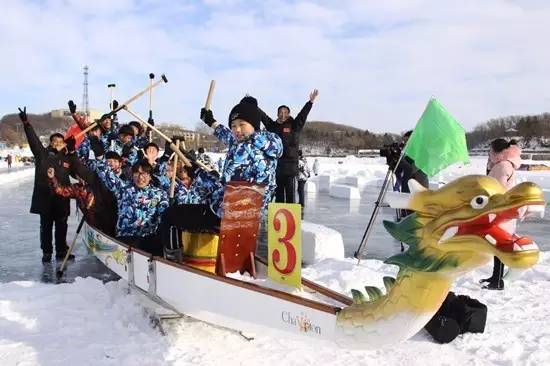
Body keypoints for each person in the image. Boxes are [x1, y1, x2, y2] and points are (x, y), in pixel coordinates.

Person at [199, 95, 283, 217]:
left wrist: (253, 134)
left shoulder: (259, 143)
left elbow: (277, 148)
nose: (237, 129)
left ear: (254, 124)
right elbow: (225, 133)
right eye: (233, 125)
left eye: (242, 124)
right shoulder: (241, 141)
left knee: (175, 214)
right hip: (233, 209)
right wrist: (210, 121)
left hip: (245, 214)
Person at [18, 107, 73, 263]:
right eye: (55, 141)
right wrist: (26, 123)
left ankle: (61, 250)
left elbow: (78, 172)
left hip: (62, 199)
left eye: (60, 142)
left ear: (63, 144)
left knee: (62, 227)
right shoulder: (42, 155)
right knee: (46, 227)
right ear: (51, 143)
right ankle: (47, 252)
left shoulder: (68, 159)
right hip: (46, 199)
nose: (57, 144)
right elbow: (33, 140)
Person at [94, 159, 169, 255]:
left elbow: (165, 214)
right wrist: (100, 158)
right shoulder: (123, 189)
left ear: (150, 176)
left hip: (147, 238)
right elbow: (105, 173)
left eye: (144, 174)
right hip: (125, 239)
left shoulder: (159, 194)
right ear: (132, 175)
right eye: (137, 173)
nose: (140, 177)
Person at [259, 89, 319, 203]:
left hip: (290, 170)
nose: (282, 114)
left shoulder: (294, 126)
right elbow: (264, 117)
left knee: (291, 197)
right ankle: (278, 220)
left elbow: (302, 116)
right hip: (277, 168)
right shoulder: (273, 126)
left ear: (288, 114)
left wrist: (310, 102)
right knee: (279, 196)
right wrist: (253, 105)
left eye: (285, 112)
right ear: (277, 114)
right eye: (280, 112)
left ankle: (290, 220)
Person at [480, 138, 521, 290]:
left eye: (490, 150)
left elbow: (497, 189)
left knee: (499, 245)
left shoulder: (503, 166)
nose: (489, 153)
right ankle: (495, 277)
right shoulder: (500, 165)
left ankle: (497, 281)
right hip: (500, 211)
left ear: (498, 152)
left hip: (500, 212)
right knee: (497, 245)